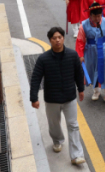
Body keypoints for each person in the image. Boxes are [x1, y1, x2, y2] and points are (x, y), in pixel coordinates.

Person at [30, 27, 86, 166]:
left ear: (63, 38)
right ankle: (57, 140)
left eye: (59, 37)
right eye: (54, 38)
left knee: (73, 125)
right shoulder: (43, 59)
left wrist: (81, 89)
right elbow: (36, 78)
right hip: (52, 99)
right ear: (50, 40)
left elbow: (79, 73)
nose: (57, 40)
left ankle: (76, 155)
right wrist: (34, 97)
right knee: (54, 124)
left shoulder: (72, 55)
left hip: (69, 98)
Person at [76, 3, 105, 105]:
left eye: (99, 16)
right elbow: (80, 40)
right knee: (92, 70)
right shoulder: (84, 25)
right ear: (90, 15)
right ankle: (96, 90)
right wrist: (80, 55)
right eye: (95, 16)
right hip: (91, 50)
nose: (97, 18)